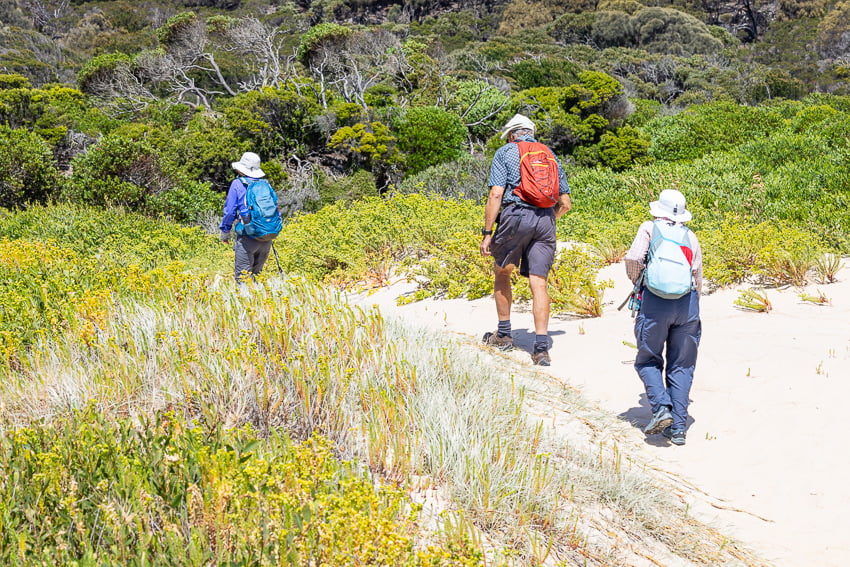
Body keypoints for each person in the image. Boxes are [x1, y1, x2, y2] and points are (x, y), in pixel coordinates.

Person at [480, 114, 572, 366]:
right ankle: (541, 348)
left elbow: (496, 193)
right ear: (531, 132)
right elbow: (565, 203)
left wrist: (487, 233)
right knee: (539, 282)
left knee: (502, 271)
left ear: (512, 134)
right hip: (545, 220)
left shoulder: (506, 152)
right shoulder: (549, 154)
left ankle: (504, 335)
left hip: (516, 215)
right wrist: (547, 220)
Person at [624, 189, 702, 446]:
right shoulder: (690, 236)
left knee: (648, 360)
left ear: (659, 209)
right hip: (687, 304)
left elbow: (634, 258)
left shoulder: (649, 228)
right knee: (682, 365)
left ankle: (661, 408)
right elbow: (697, 275)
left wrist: (639, 281)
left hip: (655, 302)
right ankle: (678, 428)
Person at [219, 151, 274, 283]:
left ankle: (244, 303)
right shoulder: (266, 184)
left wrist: (225, 232)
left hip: (247, 237)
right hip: (266, 237)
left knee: (243, 279)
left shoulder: (237, 184)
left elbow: (230, 212)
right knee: (256, 277)